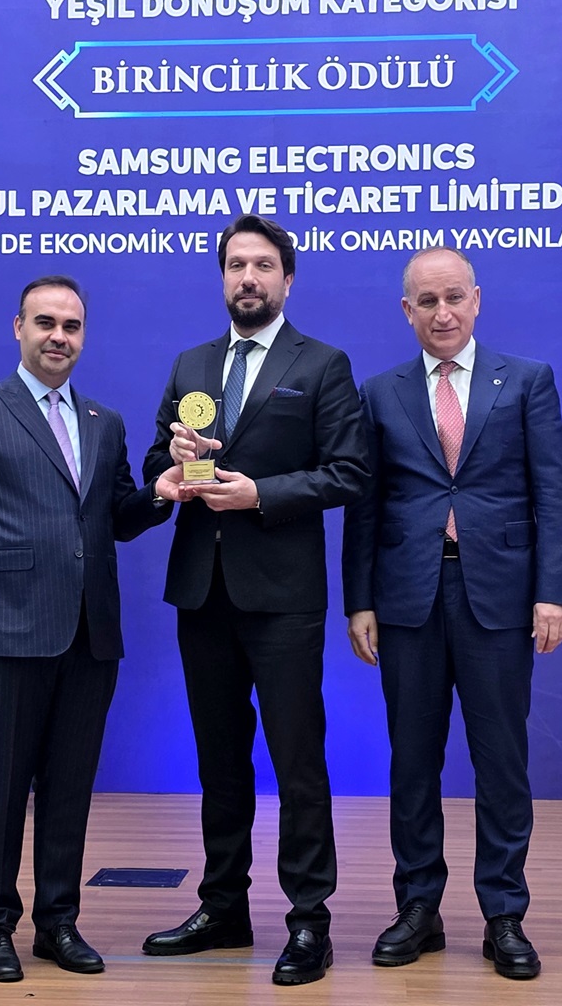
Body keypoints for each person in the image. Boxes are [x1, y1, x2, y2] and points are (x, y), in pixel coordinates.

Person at [0, 275, 176, 982]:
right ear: (19, 328)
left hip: (90, 634)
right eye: (46, 323)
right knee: (0, 789)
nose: (59, 336)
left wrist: (160, 494)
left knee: (70, 788)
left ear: (84, 336)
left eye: (71, 326)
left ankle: (58, 923)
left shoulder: (104, 421)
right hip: (6, 629)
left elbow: (116, 518)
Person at [143, 214, 369, 986]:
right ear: (222, 278)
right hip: (202, 591)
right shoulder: (191, 362)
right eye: (236, 264)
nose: (248, 277)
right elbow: (157, 458)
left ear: (287, 280)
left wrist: (260, 494)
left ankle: (309, 922)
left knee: (297, 759)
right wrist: (173, 466)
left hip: (282, 598)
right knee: (218, 760)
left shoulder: (324, 364)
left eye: (263, 265)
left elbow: (348, 472)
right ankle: (222, 907)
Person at [342, 248, 562, 980]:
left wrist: (554, 591)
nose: (442, 313)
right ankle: (418, 908)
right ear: (406, 311)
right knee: (412, 759)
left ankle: (504, 913)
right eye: (427, 301)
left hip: (500, 597)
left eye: (453, 298)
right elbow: (364, 505)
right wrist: (359, 600)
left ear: (477, 299)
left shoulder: (527, 380)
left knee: (500, 760)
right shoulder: (380, 392)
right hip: (406, 597)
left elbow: (554, 493)